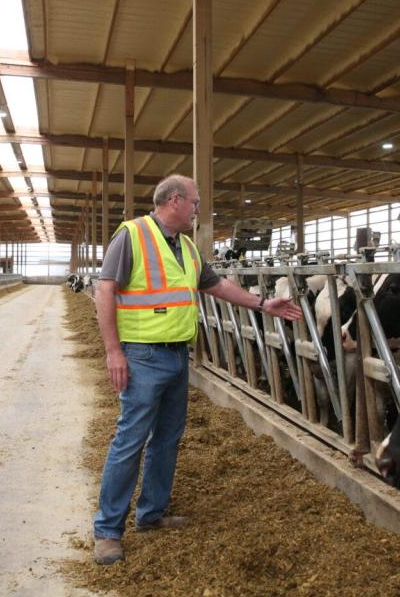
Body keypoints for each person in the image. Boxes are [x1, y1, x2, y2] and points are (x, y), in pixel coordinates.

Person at [92, 174, 302, 565]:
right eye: (195, 202)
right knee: (130, 440)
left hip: (176, 356)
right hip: (141, 356)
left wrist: (261, 304)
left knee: (167, 439)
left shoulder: (186, 247)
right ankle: (107, 531)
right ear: (174, 201)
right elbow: (105, 290)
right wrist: (112, 351)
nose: (198, 210)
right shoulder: (132, 236)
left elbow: (217, 285)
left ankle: (151, 515)